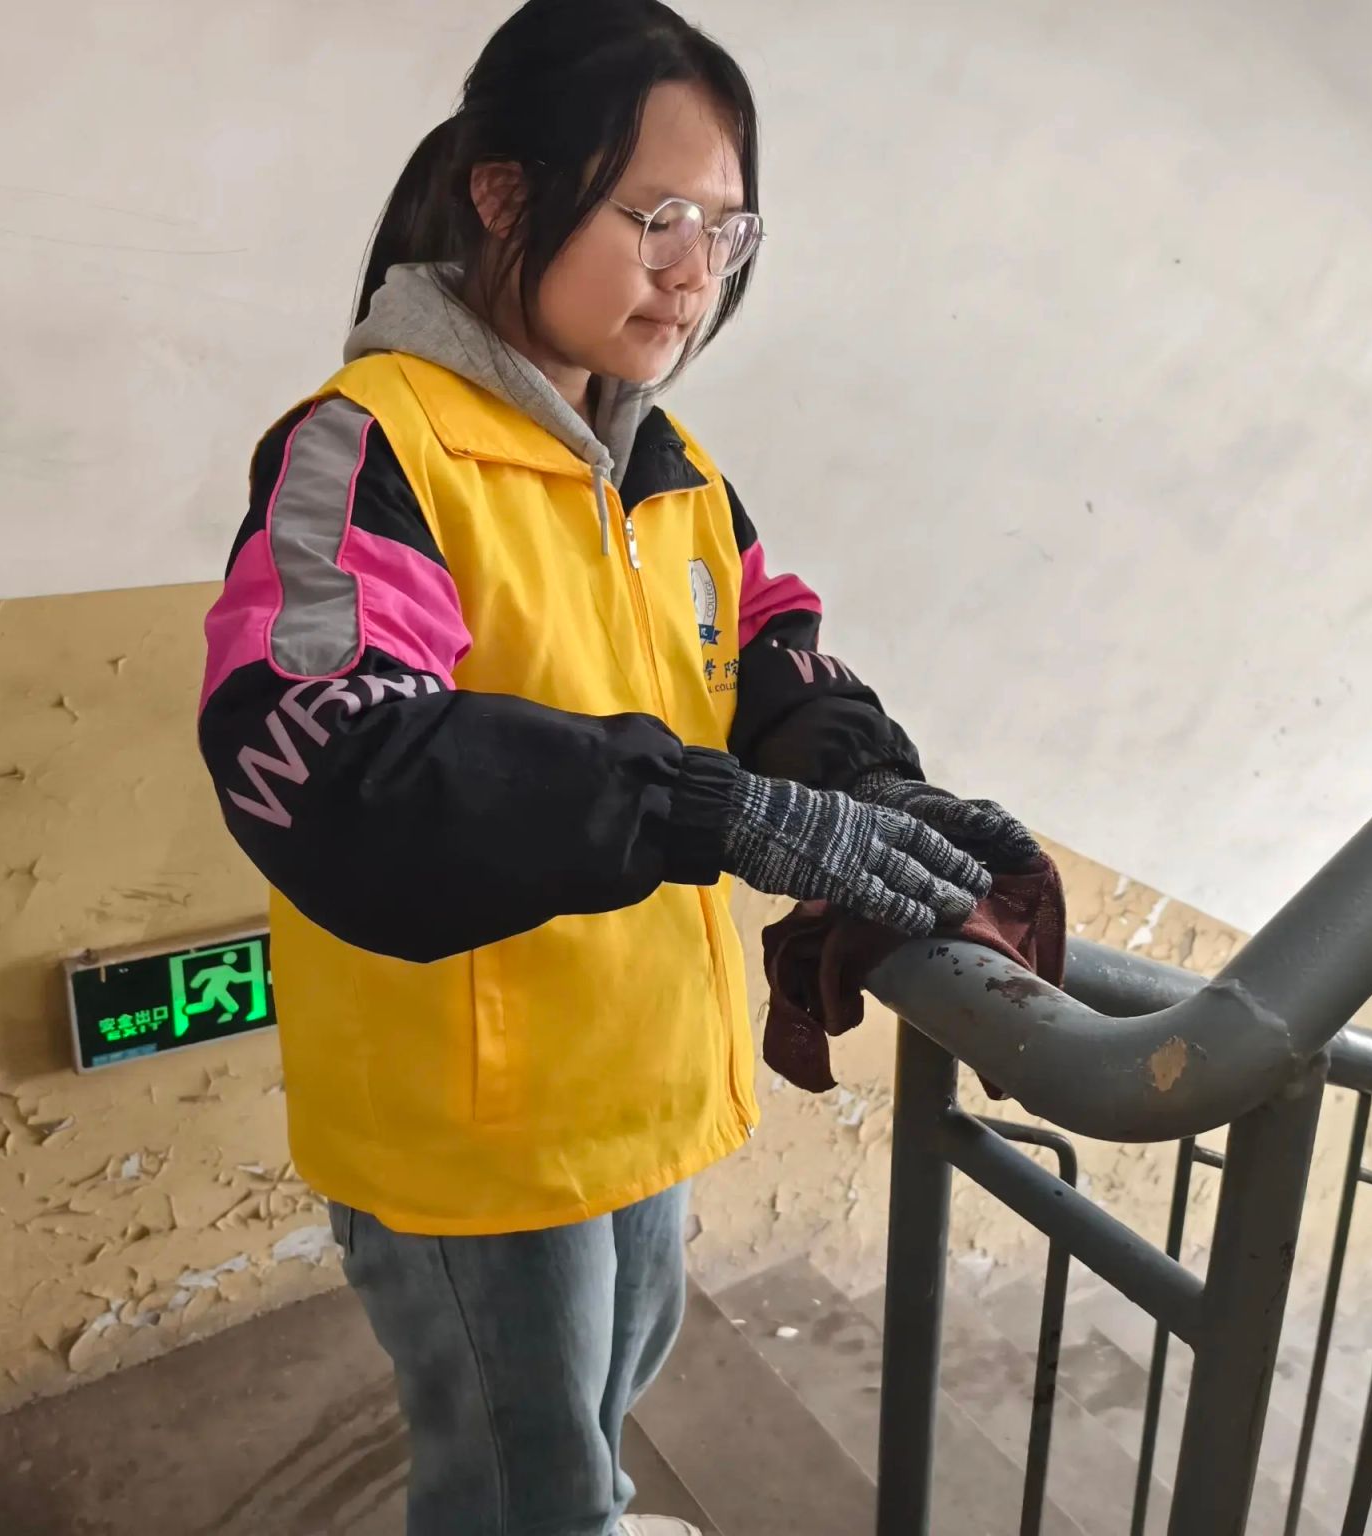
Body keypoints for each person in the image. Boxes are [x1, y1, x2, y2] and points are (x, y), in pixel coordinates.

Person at [195, 2, 1039, 1530]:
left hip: (640, 1072)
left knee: (605, 1398)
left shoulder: (672, 468)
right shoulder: (371, 449)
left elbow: (765, 654)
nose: (695, 269)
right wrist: (724, 811)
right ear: (504, 193)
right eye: (655, 216)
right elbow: (334, 764)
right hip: (475, 1124)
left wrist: (865, 784)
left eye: (726, 226)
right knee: (518, 1479)